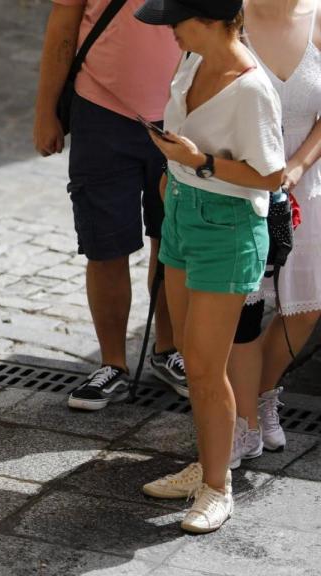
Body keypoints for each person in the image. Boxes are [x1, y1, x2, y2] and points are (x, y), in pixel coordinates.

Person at [135, 0, 286, 533]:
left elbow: (271, 177)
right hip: (181, 210)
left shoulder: (252, 89)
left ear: (210, 19)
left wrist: (197, 161)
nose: (169, 31)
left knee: (203, 366)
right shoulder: (193, 61)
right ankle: (209, 463)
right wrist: (174, 173)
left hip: (227, 228)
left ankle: (218, 488)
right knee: (188, 356)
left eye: (176, 21)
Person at [34, 0, 187, 411]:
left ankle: (168, 351)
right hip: (100, 113)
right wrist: (46, 110)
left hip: (184, 114)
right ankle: (112, 364)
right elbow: (64, 26)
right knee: (105, 246)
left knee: (173, 242)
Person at [228, 0, 321, 469]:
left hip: (308, 182)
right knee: (245, 307)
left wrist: (299, 165)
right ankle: (241, 421)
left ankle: (264, 396)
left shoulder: (320, 17)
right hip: (242, 183)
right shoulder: (233, 16)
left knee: (306, 305)